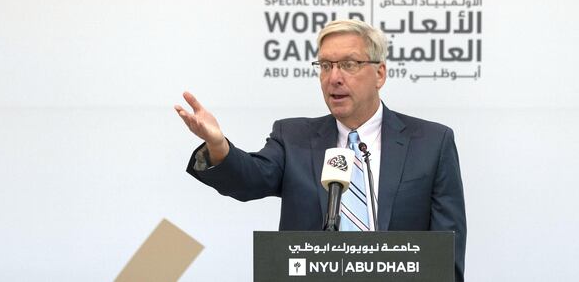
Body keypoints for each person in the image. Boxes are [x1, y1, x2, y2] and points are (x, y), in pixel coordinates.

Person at [175, 19, 466, 280]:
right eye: (326, 66)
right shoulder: (293, 137)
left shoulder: (431, 142)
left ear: (379, 74)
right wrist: (217, 144)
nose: (334, 78)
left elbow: (448, 246)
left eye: (349, 65)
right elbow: (249, 179)